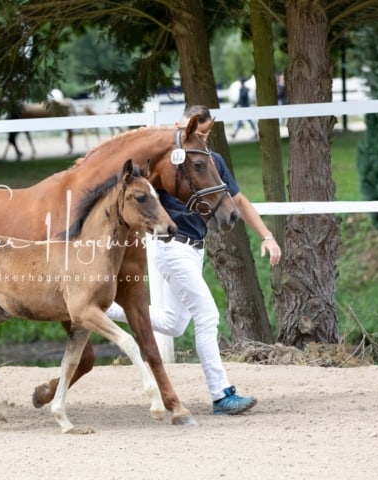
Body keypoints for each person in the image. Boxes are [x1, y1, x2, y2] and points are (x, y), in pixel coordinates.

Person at [106, 104, 281, 415]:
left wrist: (266, 235)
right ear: (181, 127)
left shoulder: (211, 162)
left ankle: (102, 307)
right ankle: (221, 395)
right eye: (196, 132)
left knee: (174, 324)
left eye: (207, 133)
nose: (202, 138)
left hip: (195, 248)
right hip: (172, 247)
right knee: (208, 316)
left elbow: (236, 199)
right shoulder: (166, 160)